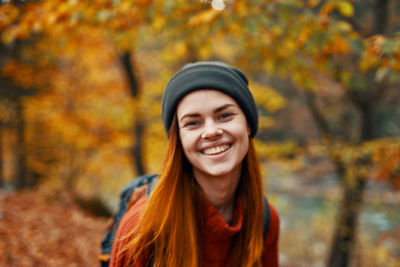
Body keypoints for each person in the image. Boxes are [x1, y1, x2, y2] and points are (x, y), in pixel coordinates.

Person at [110, 61, 280, 267]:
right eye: (193, 123)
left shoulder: (264, 219)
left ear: (248, 126)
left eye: (225, 115)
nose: (211, 131)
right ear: (179, 140)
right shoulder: (141, 228)